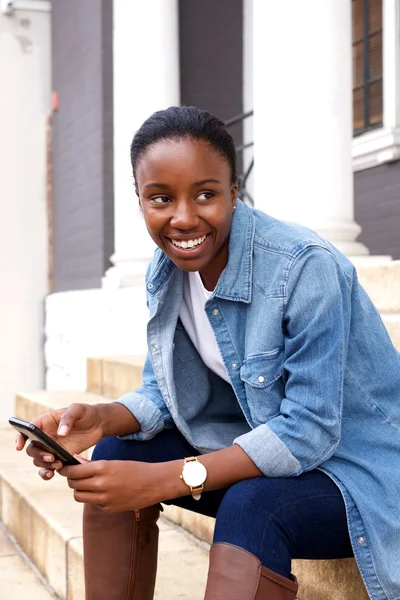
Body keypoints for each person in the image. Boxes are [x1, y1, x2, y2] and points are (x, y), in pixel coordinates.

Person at [16, 106, 400, 600]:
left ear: (234, 192)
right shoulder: (168, 268)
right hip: (277, 453)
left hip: (357, 473)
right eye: (161, 198)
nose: (183, 217)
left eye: (205, 194)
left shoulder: (303, 269)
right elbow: (164, 390)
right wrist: (100, 418)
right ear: (140, 201)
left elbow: (308, 432)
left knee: (252, 506)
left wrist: (168, 479)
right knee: (117, 451)